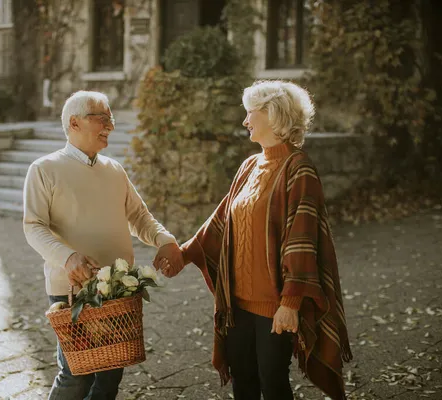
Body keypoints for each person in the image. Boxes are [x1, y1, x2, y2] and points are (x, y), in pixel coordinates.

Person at [158, 80, 352, 400]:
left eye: (251, 113)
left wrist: (290, 304)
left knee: (273, 383)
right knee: (243, 382)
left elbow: (301, 241)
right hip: (237, 304)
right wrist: (183, 253)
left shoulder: (298, 169)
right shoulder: (249, 165)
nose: (245, 121)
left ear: (273, 115)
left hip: (274, 306)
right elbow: (221, 221)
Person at [23, 91, 184, 400]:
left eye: (111, 119)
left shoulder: (114, 170)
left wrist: (165, 239)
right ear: (74, 122)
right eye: (103, 119)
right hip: (72, 289)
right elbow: (33, 227)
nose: (110, 126)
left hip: (118, 290)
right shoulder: (43, 169)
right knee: (76, 376)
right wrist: (68, 258)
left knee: (110, 378)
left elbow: (138, 216)